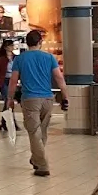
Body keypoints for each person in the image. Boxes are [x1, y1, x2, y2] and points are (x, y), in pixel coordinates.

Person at [7, 30, 69, 176]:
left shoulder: (20, 59)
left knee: (34, 133)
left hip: (30, 99)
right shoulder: (49, 57)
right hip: (48, 99)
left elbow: (13, 81)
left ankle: (42, 165)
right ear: (40, 42)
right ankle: (36, 158)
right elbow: (59, 78)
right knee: (42, 132)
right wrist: (65, 97)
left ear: (26, 43)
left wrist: (9, 98)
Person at [0, 39, 18, 132]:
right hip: (4, 81)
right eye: (10, 45)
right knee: (8, 100)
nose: (12, 47)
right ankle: (11, 123)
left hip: (12, 81)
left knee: (8, 102)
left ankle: (4, 123)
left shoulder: (15, 58)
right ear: (6, 47)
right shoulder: (1, 59)